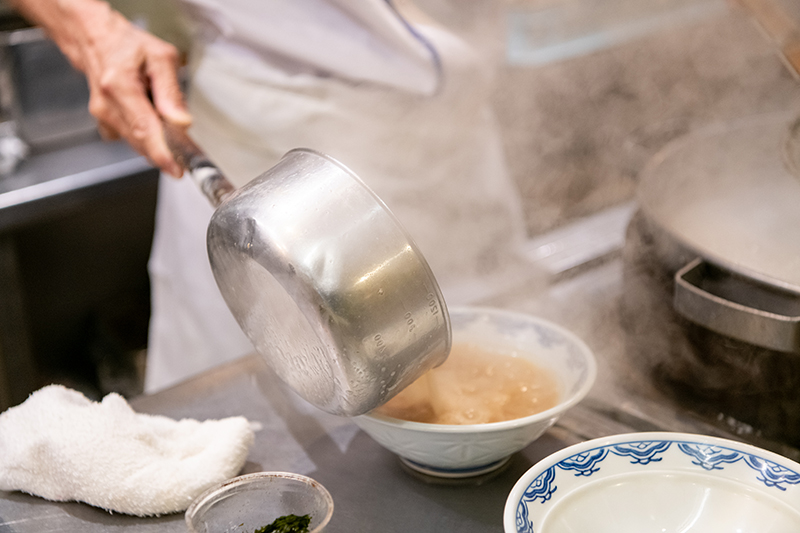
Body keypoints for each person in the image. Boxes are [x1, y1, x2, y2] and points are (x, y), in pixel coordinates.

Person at [9, 0, 529, 393]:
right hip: (257, 149)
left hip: (458, 149)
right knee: (240, 449)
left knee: (499, 389)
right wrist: (96, 35)